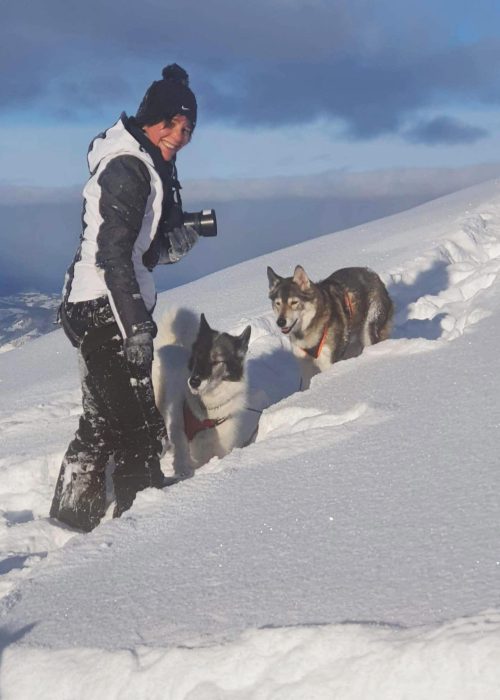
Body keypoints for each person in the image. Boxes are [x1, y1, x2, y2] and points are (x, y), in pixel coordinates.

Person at [50, 64, 199, 531]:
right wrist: (135, 326)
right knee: (137, 427)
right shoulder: (129, 168)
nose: (178, 135)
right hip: (104, 308)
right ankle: (143, 529)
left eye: (187, 128)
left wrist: (171, 244)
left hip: (103, 302)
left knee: (103, 419)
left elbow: (135, 252)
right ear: (150, 117)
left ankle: (72, 519)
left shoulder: (147, 160)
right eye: (171, 123)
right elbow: (111, 258)